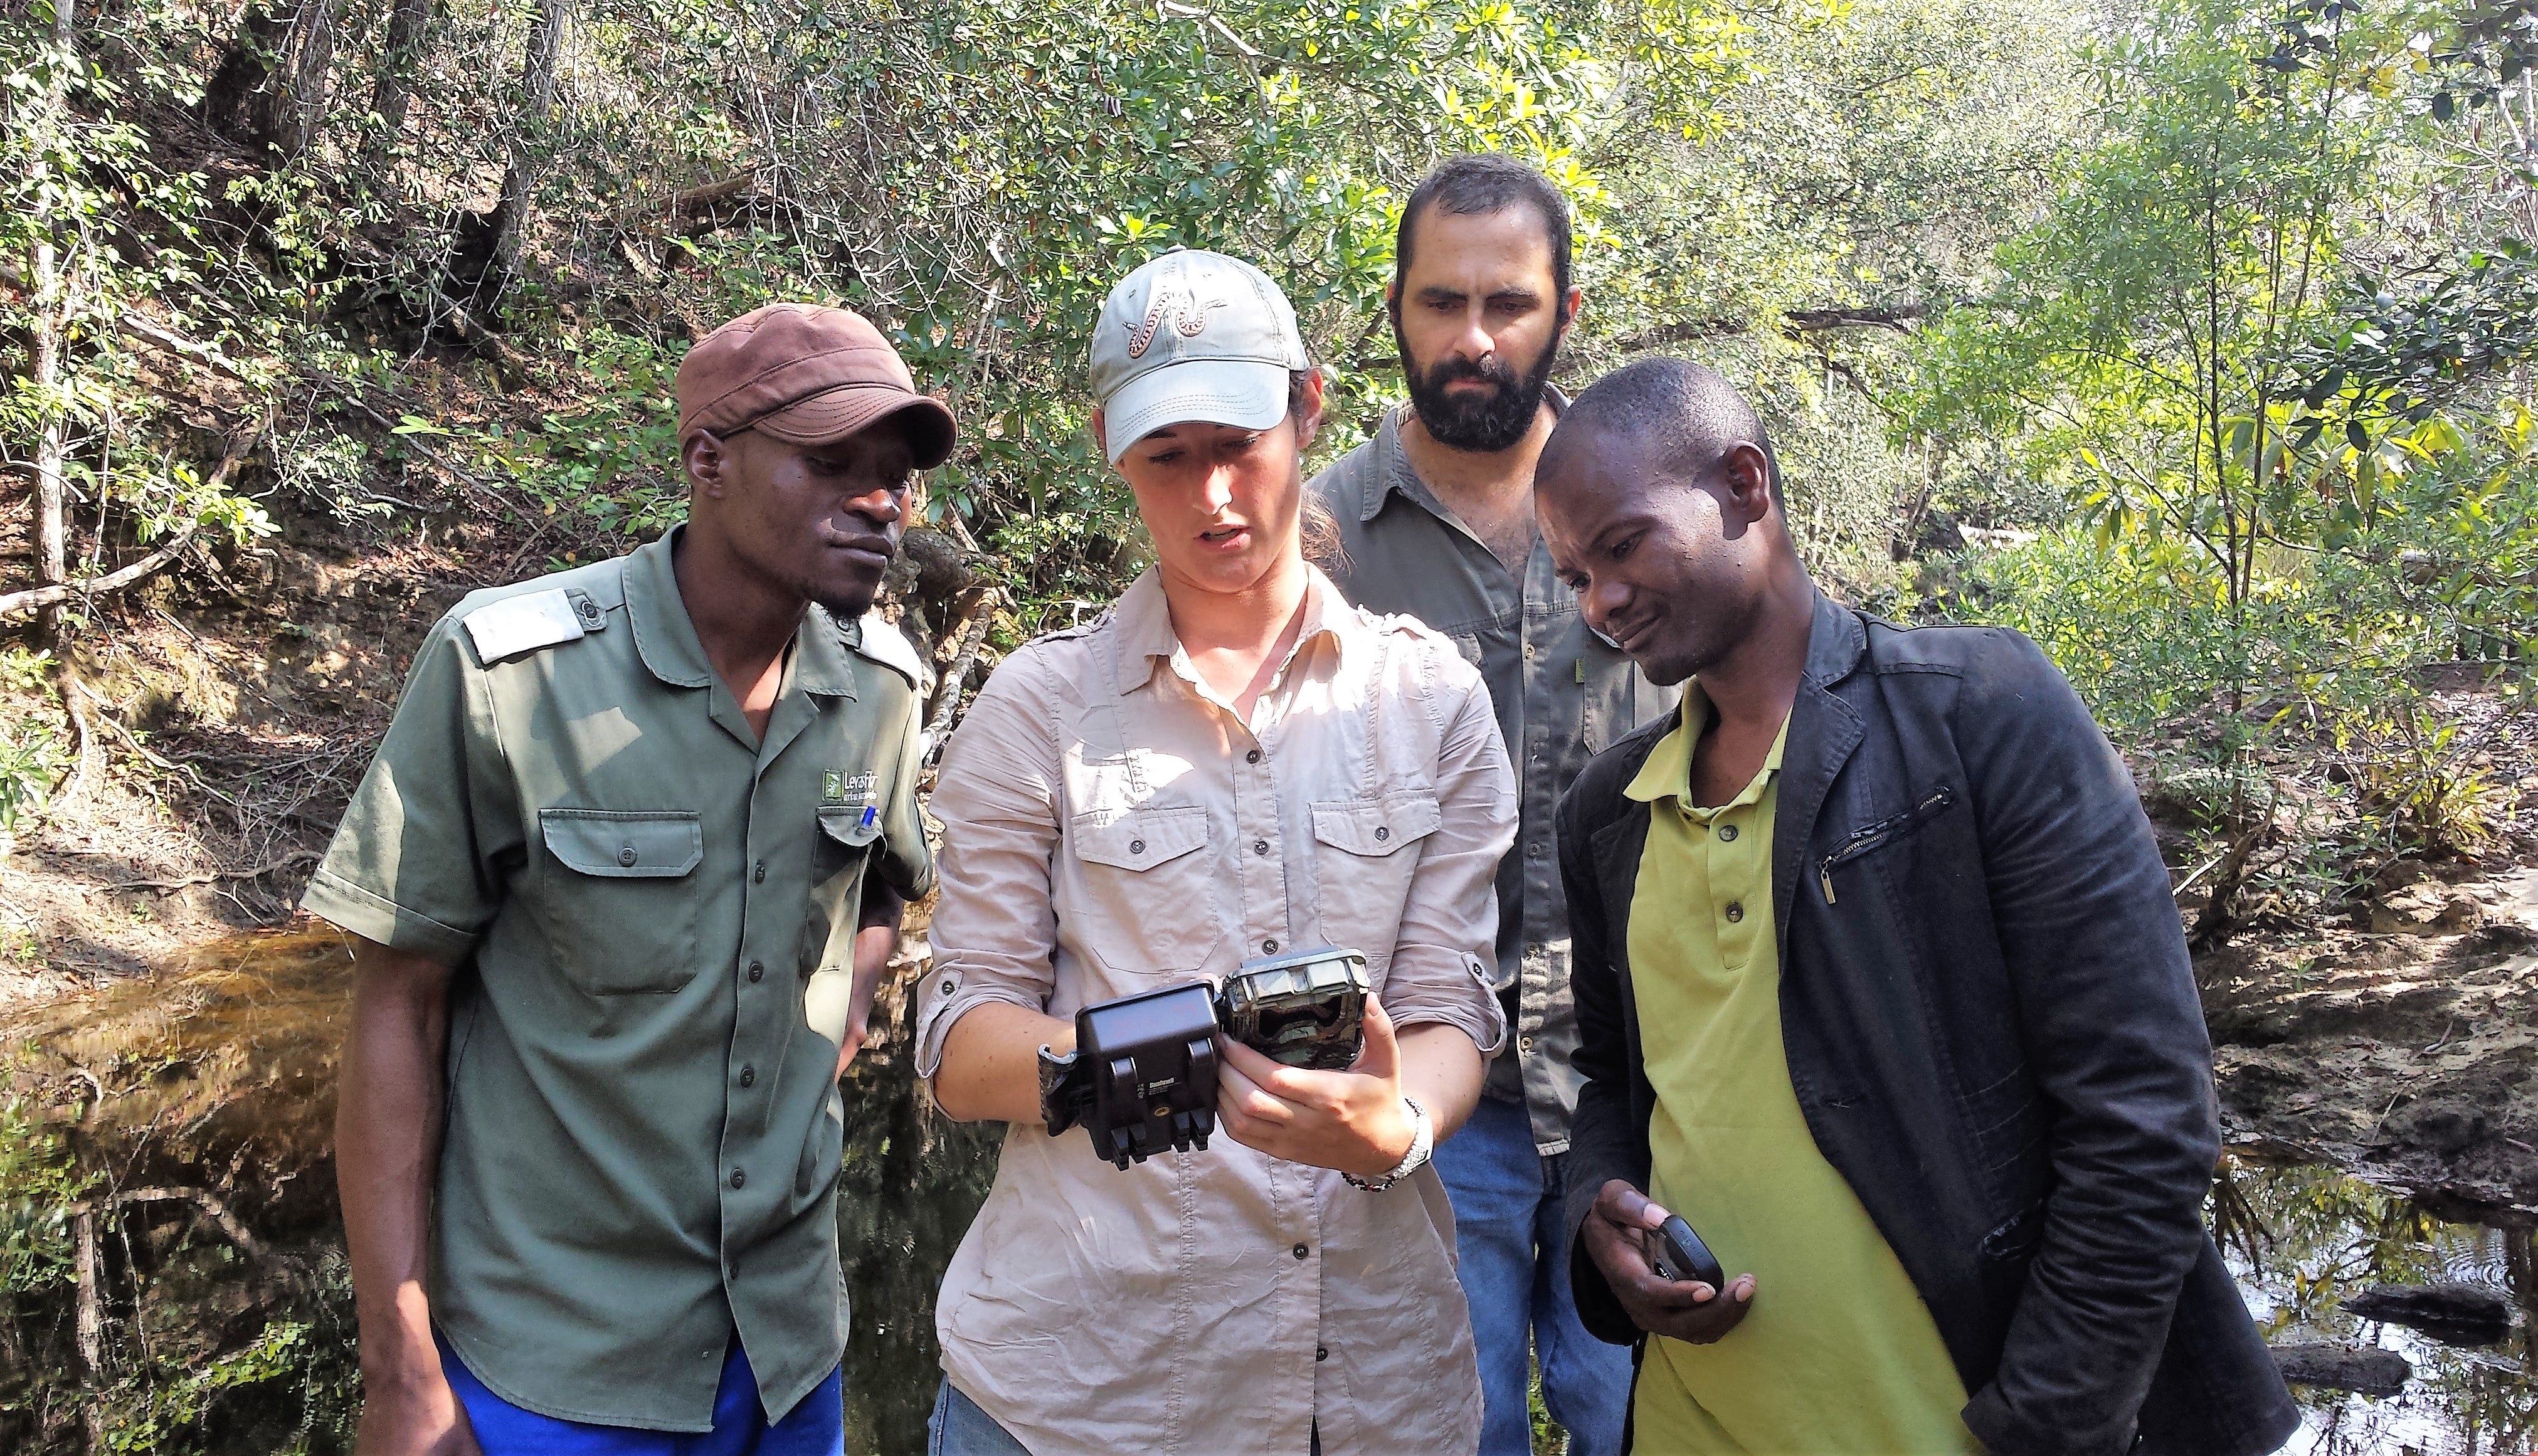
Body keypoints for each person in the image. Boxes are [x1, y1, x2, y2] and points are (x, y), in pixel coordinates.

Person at [1536, 357, 2300, 1455]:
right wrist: (1599, 1212)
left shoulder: (1979, 714)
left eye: (1622, 545)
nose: (1600, 602)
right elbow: (1616, 1077)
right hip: (1692, 1421)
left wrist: (2045, 1422)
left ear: (1746, 486)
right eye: (1572, 575)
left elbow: (2146, 1115)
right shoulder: (1609, 814)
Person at [312, 303, 951, 1456]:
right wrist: (399, 1367)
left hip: (790, 1353)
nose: (880, 502)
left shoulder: (882, 690)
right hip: (552, 1370)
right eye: (832, 463)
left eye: (896, 474)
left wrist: (840, 1021)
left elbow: (885, 887)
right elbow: (396, 1005)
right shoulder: (509, 675)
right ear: (708, 461)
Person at [916, 247, 1517, 1455]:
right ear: (1112, 452)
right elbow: (957, 1039)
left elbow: (1454, 1005)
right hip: (1079, 1393)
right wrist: (1142, 1059)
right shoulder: (1040, 710)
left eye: (1238, 441)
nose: (1214, 498)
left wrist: (1395, 1127)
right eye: (1166, 457)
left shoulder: (1431, 697)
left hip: (1369, 1395)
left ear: (1308, 407)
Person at [1306, 154, 1669, 1456]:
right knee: (1446, 1436)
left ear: (1564, 312)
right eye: (1440, 302)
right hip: (1423, 1102)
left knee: (1641, 1422)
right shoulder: (1320, 542)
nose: (1472, 340)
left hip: (1647, 1097)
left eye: (1507, 305)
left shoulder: (1650, 516)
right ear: (1395, 309)